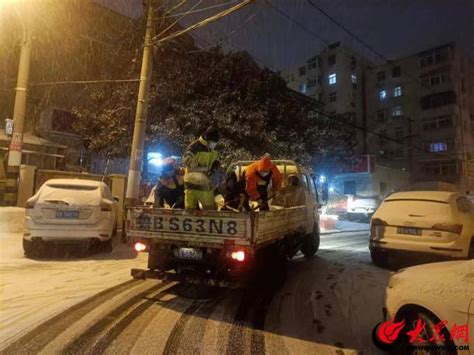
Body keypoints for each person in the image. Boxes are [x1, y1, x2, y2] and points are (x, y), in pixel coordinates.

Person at [183, 127, 220, 209]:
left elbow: (215, 159)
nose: (214, 144)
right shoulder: (195, 146)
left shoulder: (213, 148)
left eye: (215, 142)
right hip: (192, 181)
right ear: (207, 138)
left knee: (210, 209)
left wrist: (215, 165)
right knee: (191, 210)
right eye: (213, 141)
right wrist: (199, 167)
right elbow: (187, 158)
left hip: (205, 182)